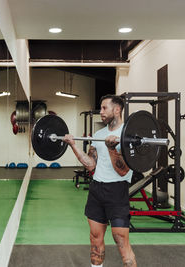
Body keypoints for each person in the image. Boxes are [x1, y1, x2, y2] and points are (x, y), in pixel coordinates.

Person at [63, 95, 136, 267]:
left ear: (117, 110)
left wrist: (112, 149)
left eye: (104, 108)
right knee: (95, 239)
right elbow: (90, 165)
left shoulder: (129, 135)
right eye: (101, 108)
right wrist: (73, 145)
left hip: (117, 190)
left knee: (121, 241)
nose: (101, 112)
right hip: (97, 189)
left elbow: (123, 171)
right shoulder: (99, 134)